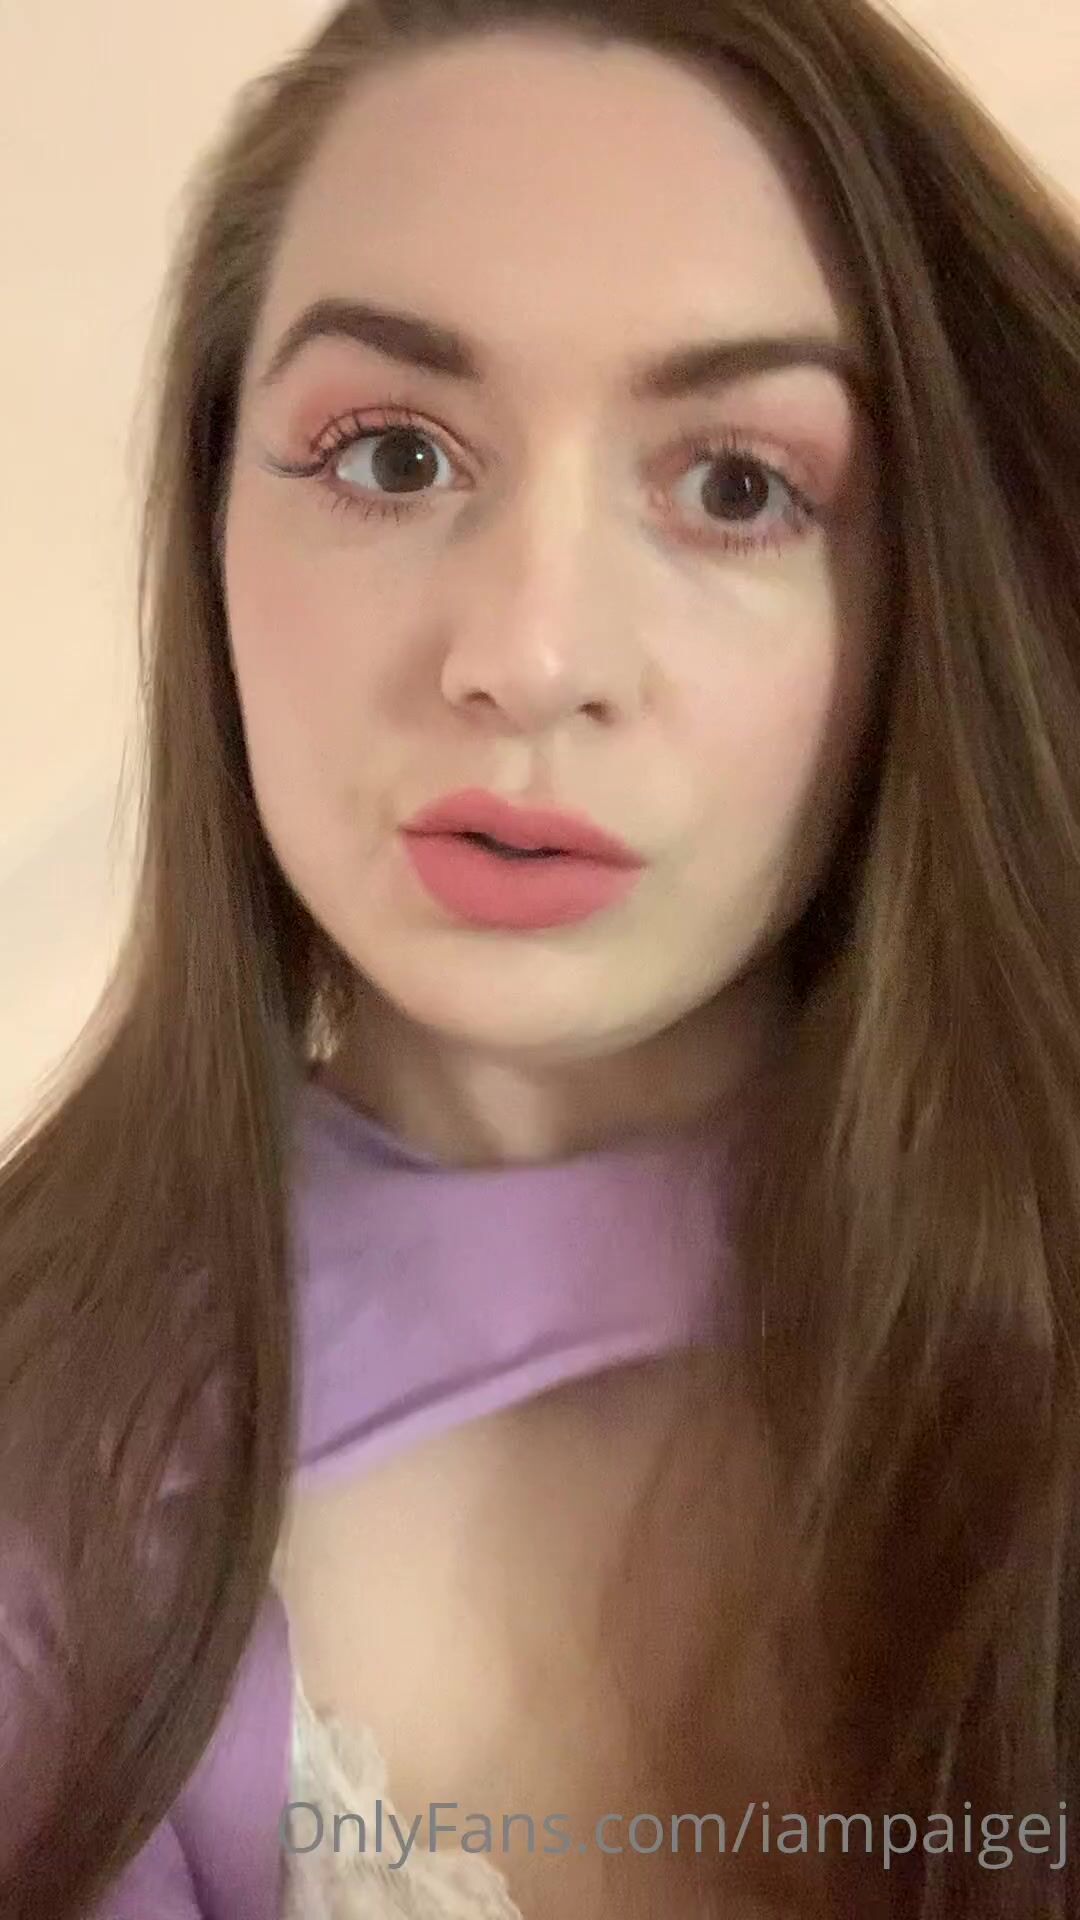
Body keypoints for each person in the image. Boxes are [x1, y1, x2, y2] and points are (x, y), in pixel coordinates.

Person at [2, 0, 1079, 1914]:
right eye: (393, 453)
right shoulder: (50, 1436)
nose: (526, 652)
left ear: (933, 587)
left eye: (737, 487)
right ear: (211, 518)